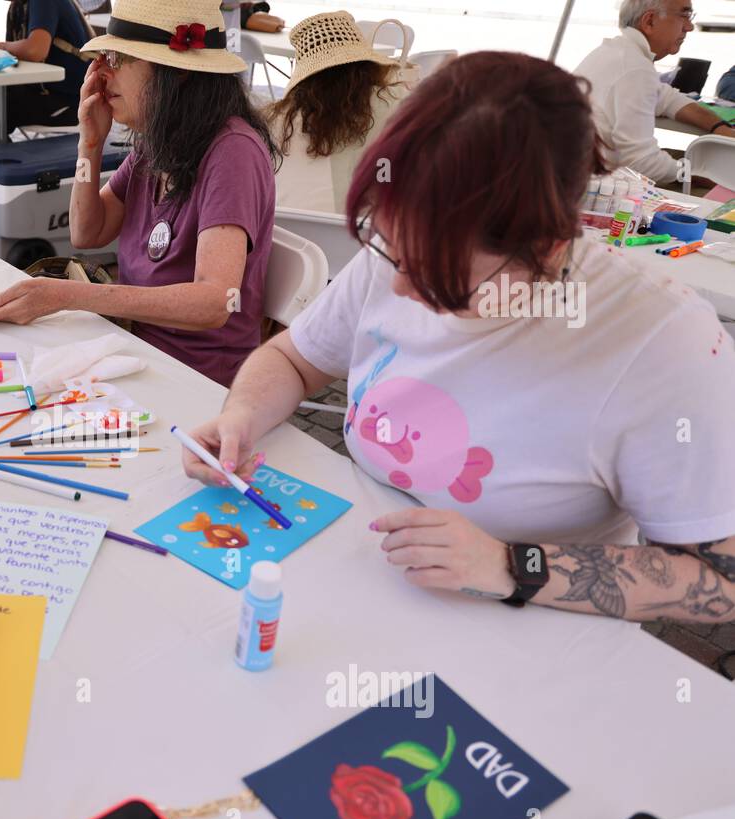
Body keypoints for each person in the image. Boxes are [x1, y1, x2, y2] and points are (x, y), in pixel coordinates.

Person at [183, 51, 735, 624]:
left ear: (546, 250)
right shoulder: (409, 242)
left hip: (524, 627)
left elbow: (720, 582)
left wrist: (508, 565)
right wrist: (242, 416)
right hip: (363, 583)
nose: (397, 286)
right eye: (388, 246)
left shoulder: (665, 344)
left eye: (436, 273)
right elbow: (297, 360)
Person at [0, 0, 278, 388]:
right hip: (135, 350)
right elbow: (87, 233)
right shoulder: (158, 142)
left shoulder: (232, 151)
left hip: (194, 378)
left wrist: (70, 296)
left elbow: (215, 302)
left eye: (117, 58)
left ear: (176, 71)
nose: (100, 73)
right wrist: (90, 145)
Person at [573, 0, 734, 185]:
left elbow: (667, 98)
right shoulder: (635, 69)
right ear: (649, 21)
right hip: (592, 185)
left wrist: (719, 127)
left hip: (577, 172)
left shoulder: (616, 52)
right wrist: (707, 177)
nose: (689, 27)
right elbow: (640, 162)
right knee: (724, 189)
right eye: (684, 15)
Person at [268, 12, 416, 213]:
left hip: (293, 236)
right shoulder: (395, 103)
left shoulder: (276, 119)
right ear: (366, 67)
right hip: (366, 234)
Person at [0, 0, 92, 149]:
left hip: (68, 100)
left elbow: (35, 51)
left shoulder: (44, 3)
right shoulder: (18, 7)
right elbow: (15, 59)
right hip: (37, 89)